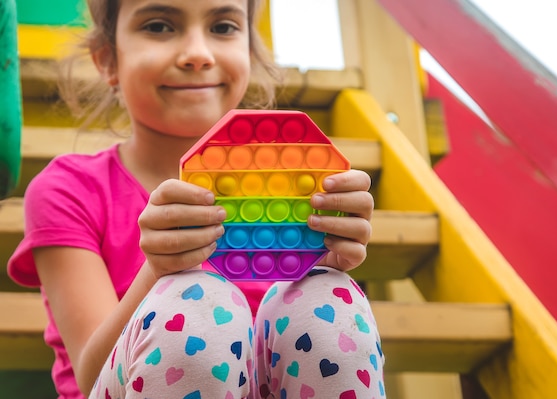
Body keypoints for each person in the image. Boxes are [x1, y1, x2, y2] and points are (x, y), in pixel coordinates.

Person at [9, 0, 385, 398]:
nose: (197, 55)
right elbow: (89, 377)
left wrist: (318, 258)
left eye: (222, 27)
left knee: (326, 296)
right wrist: (159, 268)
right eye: (158, 25)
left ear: (250, 53)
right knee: (199, 301)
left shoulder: (296, 190)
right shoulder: (69, 189)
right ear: (107, 61)